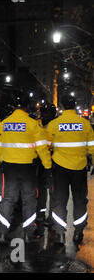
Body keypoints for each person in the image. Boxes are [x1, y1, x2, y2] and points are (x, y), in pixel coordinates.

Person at [0, 92, 52, 244]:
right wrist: (48, 167)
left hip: (8, 168)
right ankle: (29, 233)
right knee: (29, 200)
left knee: (7, 200)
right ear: (27, 106)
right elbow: (42, 149)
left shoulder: (4, 124)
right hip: (28, 169)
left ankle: (2, 233)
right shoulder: (33, 124)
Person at [46, 94, 94, 246]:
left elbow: (47, 146)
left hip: (59, 168)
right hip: (79, 168)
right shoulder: (84, 124)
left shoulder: (54, 124)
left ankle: (60, 233)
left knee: (59, 201)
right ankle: (78, 231)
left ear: (62, 106)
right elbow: (92, 146)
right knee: (80, 200)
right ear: (74, 105)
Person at [35, 103, 57, 233]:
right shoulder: (37, 124)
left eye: (47, 113)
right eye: (43, 113)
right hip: (39, 162)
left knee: (53, 191)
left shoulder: (55, 126)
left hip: (53, 162)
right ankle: (41, 213)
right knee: (40, 190)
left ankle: (52, 216)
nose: (44, 115)